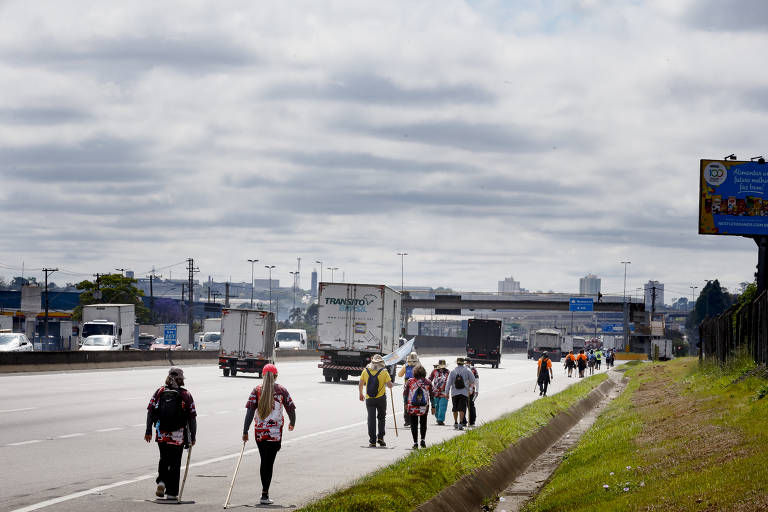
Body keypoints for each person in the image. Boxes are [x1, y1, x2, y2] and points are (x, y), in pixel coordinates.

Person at [242, 363, 296, 505]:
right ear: (276, 376)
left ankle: (264, 495)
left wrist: (245, 430)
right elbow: (291, 408)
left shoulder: (256, 390)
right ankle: (264, 495)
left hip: (259, 433)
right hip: (274, 434)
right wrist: (292, 422)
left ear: (263, 375)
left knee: (263, 461)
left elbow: (249, 412)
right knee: (269, 463)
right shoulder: (281, 390)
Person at [145, 367, 197, 501]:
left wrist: (148, 430)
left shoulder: (160, 391)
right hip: (178, 434)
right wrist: (193, 436)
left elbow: (150, 410)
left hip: (162, 432)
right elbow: (192, 417)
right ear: (181, 379)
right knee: (175, 462)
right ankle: (172, 492)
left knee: (164, 458)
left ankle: (161, 482)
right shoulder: (186, 394)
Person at [359, 354, 393, 447]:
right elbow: (389, 385)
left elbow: (361, 383)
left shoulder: (366, 371)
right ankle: (381, 438)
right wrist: (390, 384)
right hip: (381, 398)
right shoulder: (384, 372)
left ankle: (372, 441)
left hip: (369, 399)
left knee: (371, 419)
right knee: (381, 418)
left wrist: (361, 394)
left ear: (372, 361)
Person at [403, 364, 434, 449]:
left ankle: (415, 442)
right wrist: (433, 407)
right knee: (423, 423)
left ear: (414, 372)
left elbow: (405, 394)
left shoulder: (409, 381)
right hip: (424, 407)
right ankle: (423, 440)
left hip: (412, 406)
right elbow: (432, 395)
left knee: (414, 424)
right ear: (424, 373)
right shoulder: (428, 382)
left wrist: (405, 404)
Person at [445, 357, 476, 430]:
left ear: (457, 363)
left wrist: (446, 393)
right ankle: (461, 423)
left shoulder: (452, 371)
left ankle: (455, 422)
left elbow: (448, 383)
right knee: (462, 408)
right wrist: (470, 389)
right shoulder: (467, 370)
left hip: (454, 393)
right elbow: (473, 380)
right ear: (463, 363)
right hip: (464, 392)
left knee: (455, 408)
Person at [398, 352, 420, 426]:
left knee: (410, 404)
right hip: (412, 389)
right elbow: (400, 375)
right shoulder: (416, 367)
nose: (412, 363)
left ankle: (410, 420)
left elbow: (399, 375)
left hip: (412, 389)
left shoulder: (408, 366)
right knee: (411, 404)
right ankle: (410, 420)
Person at [428, 359, 450, 425]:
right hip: (435, 392)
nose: (442, 368)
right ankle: (438, 418)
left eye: (443, 366)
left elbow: (451, 381)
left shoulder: (448, 372)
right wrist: (428, 387)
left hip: (444, 392)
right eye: (441, 366)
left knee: (442, 406)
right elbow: (429, 380)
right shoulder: (434, 371)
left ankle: (441, 420)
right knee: (436, 406)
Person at [467, 360, 480, 426]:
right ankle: (472, 421)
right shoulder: (473, 369)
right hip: (471, 390)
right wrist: (477, 390)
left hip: (463, 390)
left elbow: (477, 380)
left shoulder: (462, 368)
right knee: (471, 405)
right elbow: (477, 380)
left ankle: (464, 421)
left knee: (465, 405)